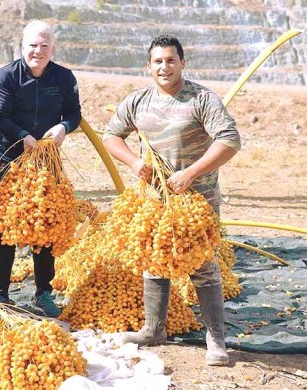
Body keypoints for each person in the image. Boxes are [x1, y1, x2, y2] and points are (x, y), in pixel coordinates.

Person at [102, 34, 240, 366]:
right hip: (154, 202)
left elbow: (230, 140)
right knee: (153, 263)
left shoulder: (201, 98)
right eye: (158, 61)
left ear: (182, 62)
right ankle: (153, 329)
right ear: (149, 66)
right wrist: (135, 163)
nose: (164, 67)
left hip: (197, 201)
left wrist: (191, 173)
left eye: (170, 60)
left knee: (203, 267)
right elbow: (111, 136)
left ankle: (216, 340)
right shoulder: (137, 101)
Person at [0, 20, 81, 317]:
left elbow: (75, 114)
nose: (37, 51)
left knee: (47, 226)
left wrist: (65, 127)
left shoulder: (64, 78)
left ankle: (43, 293)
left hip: (47, 166)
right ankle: (0, 290)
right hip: (11, 163)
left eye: (44, 46)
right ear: (22, 46)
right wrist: (23, 136)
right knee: (5, 228)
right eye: (32, 45)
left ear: (53, 48)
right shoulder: (5, 77)